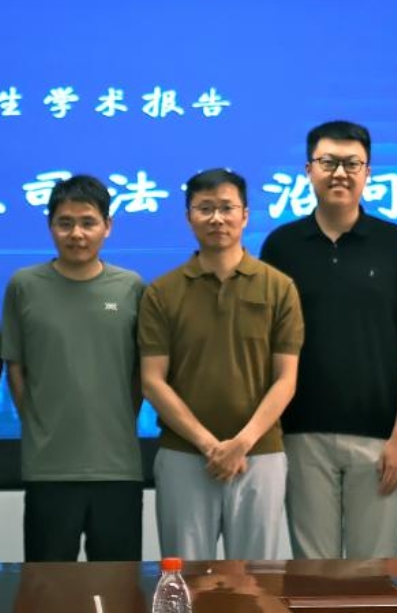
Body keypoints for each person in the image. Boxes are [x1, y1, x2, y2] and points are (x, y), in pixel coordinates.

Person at [259, 121, 397, 559]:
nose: (340, 173)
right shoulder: (281, 246)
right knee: (312, 573)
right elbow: (267, 343)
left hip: (379, 439)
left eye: (352, 163)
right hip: (300, 435)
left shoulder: (395, 244)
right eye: (328, 162)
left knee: (372, 575)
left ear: (368, 171)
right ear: (308, 169)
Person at [138, 168, 304, 560]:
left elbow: (286, 379)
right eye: (205, 208)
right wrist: (209, 445)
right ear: (189, 217)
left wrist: (241, 443)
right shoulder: (162, 292)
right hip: (184, 455)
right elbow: (152, 380)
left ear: (245, 215)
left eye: (227, 208)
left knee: (255, 581)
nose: (217, 218)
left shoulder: (279, 287)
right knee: (184, 578)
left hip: (259, 454)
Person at [1, 175, 145, 562]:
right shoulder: (24, 285)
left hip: (117, 467)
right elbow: (16, 368)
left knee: (116, 583)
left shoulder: (131, 287)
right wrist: (40, 422)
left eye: (87, 222)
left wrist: (118, 420)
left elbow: (139, 374)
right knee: (48, 584)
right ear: (50, 226)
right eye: (65, 223)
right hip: (49, 467)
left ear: (107, 226)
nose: (76, 233)